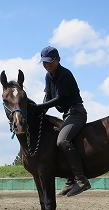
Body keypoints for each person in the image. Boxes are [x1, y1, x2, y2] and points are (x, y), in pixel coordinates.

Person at [36, 46, 91, 197]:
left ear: (58, 60)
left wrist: (40, 107)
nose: (47, 65)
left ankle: (81, 180)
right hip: (66, 116)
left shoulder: (65, 74)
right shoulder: (48, 76)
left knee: (62, 141)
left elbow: (59, 98)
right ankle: (70, 180)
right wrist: (40, 112)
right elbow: (48, 96)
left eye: (50, 62)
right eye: (44, 63)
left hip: (76, 113)